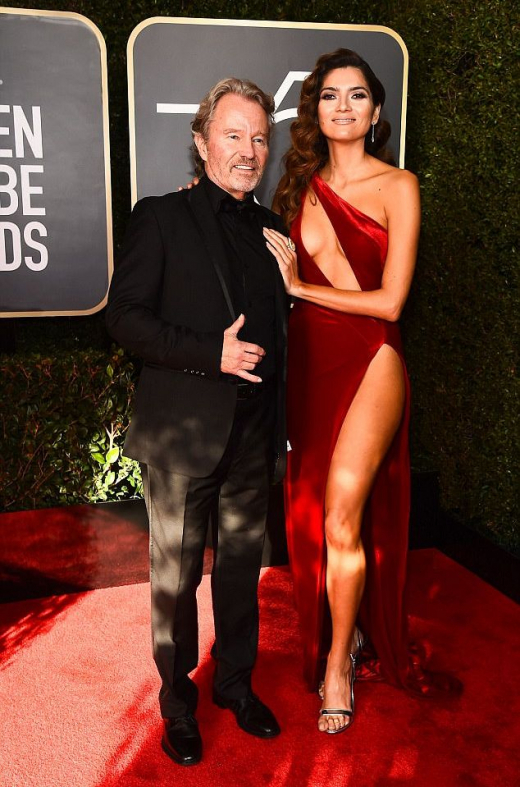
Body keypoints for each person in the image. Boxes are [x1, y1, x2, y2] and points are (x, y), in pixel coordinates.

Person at [106, 78, 289, 765]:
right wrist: (211, 353)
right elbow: (124, 318)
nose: (248, 150)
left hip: (254, 433)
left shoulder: (275, 231)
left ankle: (235, 684)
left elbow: (285, 330)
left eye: (259, 138)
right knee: (176, 578)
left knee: (241, 571)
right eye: (233, 134)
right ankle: (177, 702)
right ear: (201, 141)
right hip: (185, 435)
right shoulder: (160, 216)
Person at [264, 48, 440, 734]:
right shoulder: (297, 188)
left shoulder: (399, 185)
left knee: (341, 515)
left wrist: (299, 288)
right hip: (310, 365)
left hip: (372, 358)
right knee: (317, 515)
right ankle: (348, 629)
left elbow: (391, 302)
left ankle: (339, 662)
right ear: (316, 109)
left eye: (357, 94)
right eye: (331, 94)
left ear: (375, 110)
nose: (344, 106)